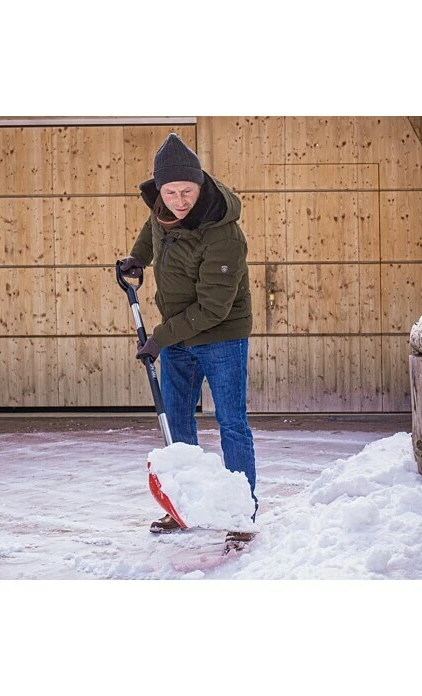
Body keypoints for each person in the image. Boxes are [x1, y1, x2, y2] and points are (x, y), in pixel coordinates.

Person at [118, 133, 257, 552]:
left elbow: (213, 308)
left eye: (187, 191)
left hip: (220, 336)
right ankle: (183, 505)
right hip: (178, 333)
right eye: (171, 192)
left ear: (201, 185)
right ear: (160, 190)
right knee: (177, 422)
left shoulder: (223, 233)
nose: (179, 201)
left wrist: (159, 338)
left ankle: (241, 514)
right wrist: (138, 258)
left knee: (231, 423)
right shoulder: (162, 210)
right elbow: (153, 231)